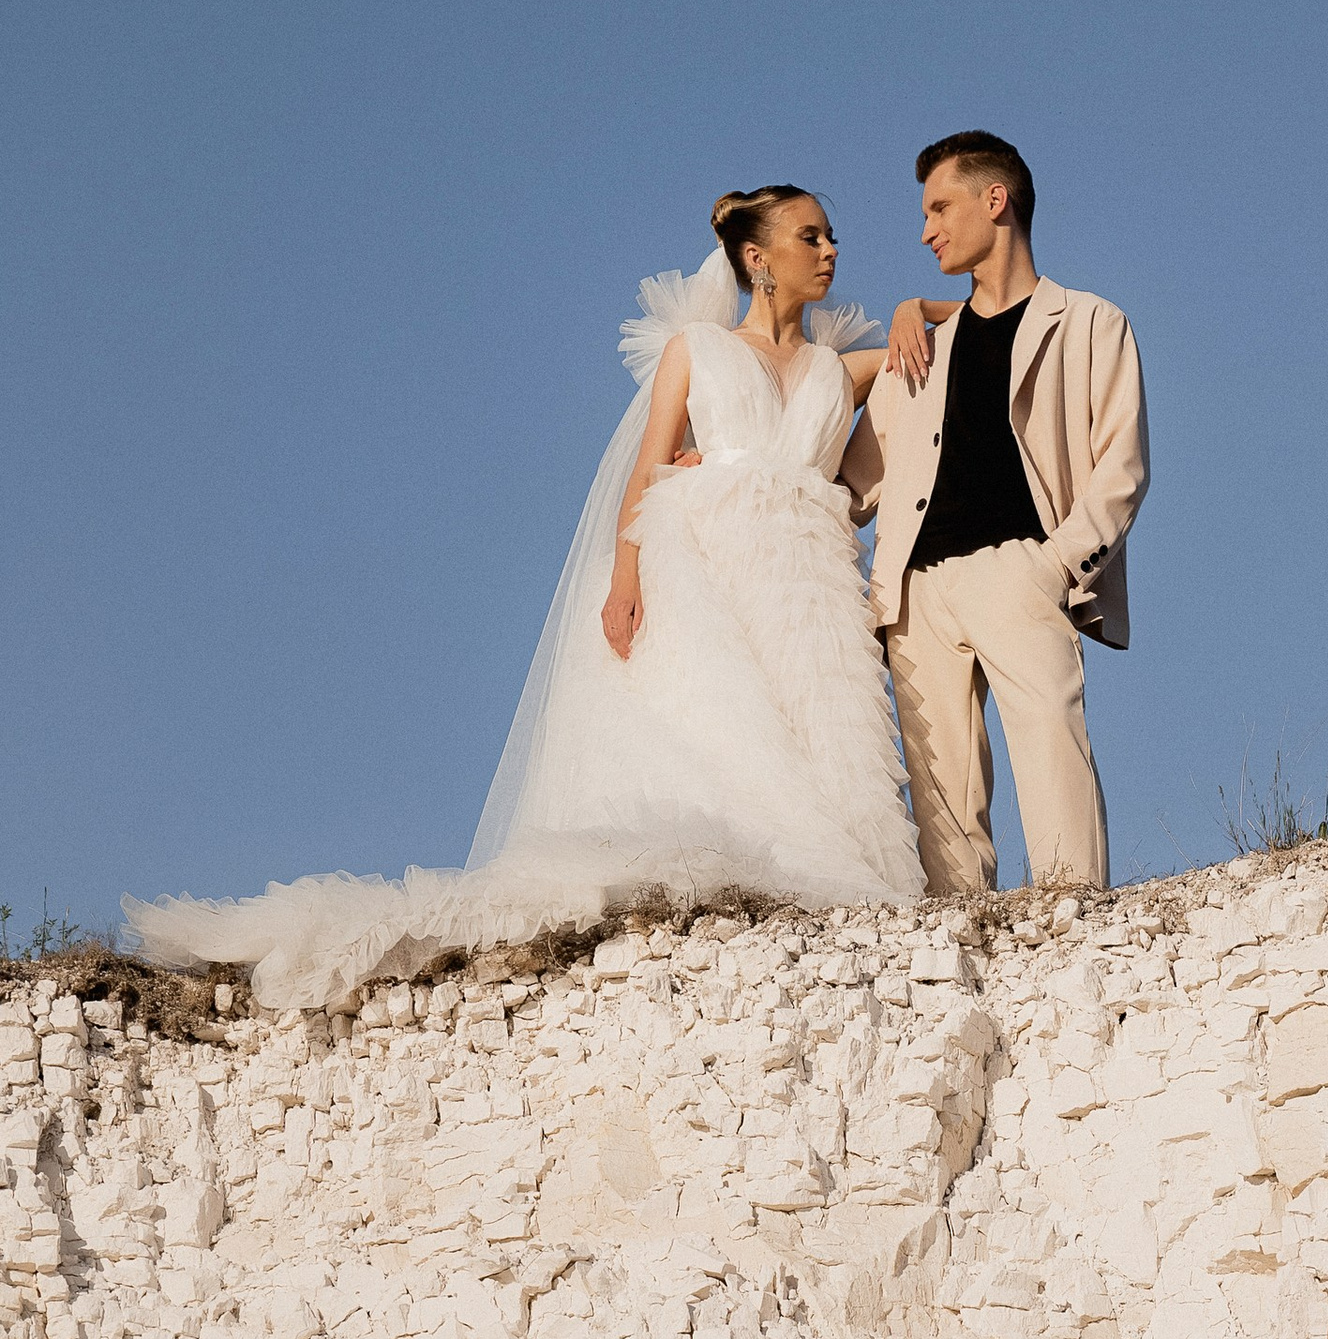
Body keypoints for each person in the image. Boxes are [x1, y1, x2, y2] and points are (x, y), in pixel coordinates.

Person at [129, 191, 940, 1006]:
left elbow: (970, 320)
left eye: (833, 236)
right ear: (757, 259)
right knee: (729, 730)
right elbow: (648, 468)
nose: (831, 249)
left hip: (810, 588)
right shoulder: (696, 348)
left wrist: (915, 305)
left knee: (824, 746)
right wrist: (625, 581)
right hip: (708, 562)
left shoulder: (842, 368)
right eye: (810, 236)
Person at [847, 134, 1148, 894]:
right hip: (915, 594)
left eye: (939, 206)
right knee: (942, 804)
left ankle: (1076, 926)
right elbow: (850, 485)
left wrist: (1056, 565)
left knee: (1052, 750)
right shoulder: (921, 347)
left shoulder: (1090, 323)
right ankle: (958, 961)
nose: (925, 230)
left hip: (1022, 568)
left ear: (995, 199)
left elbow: (1122, 467)